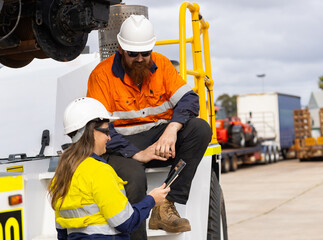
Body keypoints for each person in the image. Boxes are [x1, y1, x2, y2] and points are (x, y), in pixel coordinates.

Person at [87, 15, 212, 238]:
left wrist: (172, 129)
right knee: (133, 180)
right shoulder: (101, 75)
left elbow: (189, 100)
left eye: (145, 53)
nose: (140, 59)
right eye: (133, 54)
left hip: (160, 137)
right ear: (120, 49)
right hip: (121, 146)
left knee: (200, 129)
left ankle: (166, 206)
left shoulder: (162, 64)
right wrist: (137, 154)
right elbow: (99, 126)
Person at [48, 97, 170, 240]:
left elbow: (62, 232)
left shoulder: (62, 173)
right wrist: (151, 200)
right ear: (91, 131)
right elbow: (126, 223)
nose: (109, 138)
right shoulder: (99, 171)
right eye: (106, 131)